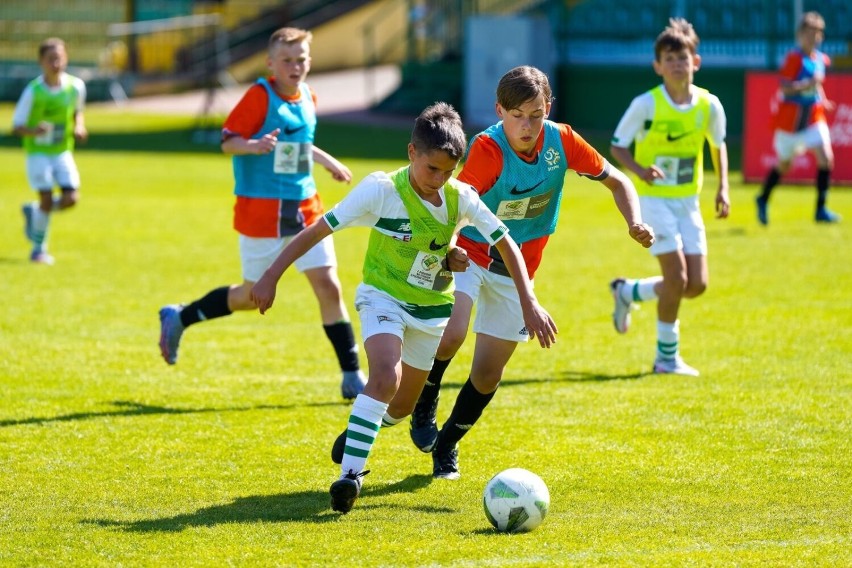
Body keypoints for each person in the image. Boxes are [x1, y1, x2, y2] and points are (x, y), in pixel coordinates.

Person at [250, 102, 557, 514]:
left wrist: (527, 298)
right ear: (412, 152)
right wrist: (272, 275)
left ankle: (362, 428)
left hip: (431, 309)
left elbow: (505, 243)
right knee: (384, 376)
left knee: (401, 406)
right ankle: (349, 477)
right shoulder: (381, 190)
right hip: (383, 298)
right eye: (433, 169)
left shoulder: (460, 196)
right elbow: (319, 228)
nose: (440, 180)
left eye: (449, 171)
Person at [404, 65, 655, 480]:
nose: (527, 125)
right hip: (471, 255)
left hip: (518, 268)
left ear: (548, 108)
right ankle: (425, 400)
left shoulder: (563, 140)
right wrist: (448, 250)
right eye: (517, 115)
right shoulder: (488, 150)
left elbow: (619, 182)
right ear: (500, 110)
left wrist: (634, 221)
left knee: (487, 374)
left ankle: (446, 445)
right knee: (452, 333)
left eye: (536, 114)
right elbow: (453, 207)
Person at [157, 27, 367, 400]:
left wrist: (325, 160)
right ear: (271, 64)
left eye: (301, 59)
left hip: (305, 208)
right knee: (250, 296)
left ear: (309, 62)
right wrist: (252, 146)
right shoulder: (259, 96)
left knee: (329, 286)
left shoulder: (308, 97)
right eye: (286, 60)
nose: (295, 66)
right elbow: (227, 142)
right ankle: (181, 316)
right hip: (261, 214)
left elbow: (298, 144)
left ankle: (352, 376)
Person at [608, 18, 730, 377]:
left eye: (683, 57)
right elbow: (617, 146)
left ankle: (629, 292)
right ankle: (666, 358)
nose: (677, 63)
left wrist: (724, 186)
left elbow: (718, 144)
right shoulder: (646, 104)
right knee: (676, 279)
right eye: (669, 58)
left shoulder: (709, 105)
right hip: (653, 201)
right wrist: (641, 170)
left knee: (696, 285)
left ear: (696, 62)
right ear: (658, 66)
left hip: (688, 202)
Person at [756, 11, 839, 225]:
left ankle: (821, 209)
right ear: (800, 34)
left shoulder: (820, 58)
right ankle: (763, 198)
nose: (814, 38)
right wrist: (806, 85)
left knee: (826, 158)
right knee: (784, 166)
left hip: (812, 118)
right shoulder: (794, 58)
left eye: (818, 33)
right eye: (810, 33)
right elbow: (785, 87)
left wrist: (824, 99)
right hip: (789, 124)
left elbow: (817, 85)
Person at [13, 37, 87, 265]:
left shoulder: (75, 86)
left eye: (60, 58)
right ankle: (38, 250)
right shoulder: (34, 91)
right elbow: (16, 127)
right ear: (41, 62)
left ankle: (34, 213)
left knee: (71, 198)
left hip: (62, 150)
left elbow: (77, 111)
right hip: (38, 153)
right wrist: (35, 131)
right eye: (51, 59)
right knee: (46, 198)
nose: (56, 63)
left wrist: (80, 125)